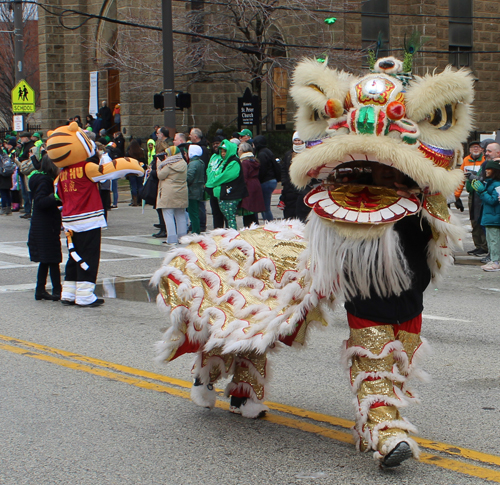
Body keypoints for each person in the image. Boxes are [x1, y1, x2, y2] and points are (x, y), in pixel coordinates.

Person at [27, 155, 62, 301]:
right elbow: (40, 201)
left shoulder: (42, 178)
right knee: (53, 258)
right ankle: (57, 290)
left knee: (46, 259)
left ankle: (40, 289)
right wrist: (57, 198)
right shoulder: (45, 180)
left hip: (43, 223)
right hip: (46, 224)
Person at [455, 140, 487, 256]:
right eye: (473, 147)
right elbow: (461, 179)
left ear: (482, 150)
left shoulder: (485, 161)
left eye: (478, 147)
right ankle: (478, 246)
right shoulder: (466, 160)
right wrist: (456, 196)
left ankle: (485, 246)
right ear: (469, 150)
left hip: (482, 194)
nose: (475, 149)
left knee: (482, 220)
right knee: (474, 220)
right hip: (472, 194)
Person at [207, 139, 247, 230]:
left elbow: (224, 176)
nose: (223, 153)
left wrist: (211, 183)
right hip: (224, 195)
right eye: (222, 151)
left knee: (230, 219)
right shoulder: (224, 162)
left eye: (225, 151)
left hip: (231, 195)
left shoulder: (234, 162)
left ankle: (232, 237)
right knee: (226, 217)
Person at [471, 159, 500, 271]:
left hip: (494, 218)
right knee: (491, 240)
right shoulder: (491, 183)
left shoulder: (497, 184)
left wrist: (482, 192)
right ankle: (494, 260)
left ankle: (496, 262)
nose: (486, 171)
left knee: (494, 241)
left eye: (489, 169)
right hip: (490, 217)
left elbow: (493, 201)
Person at [157, 146, 188, 245]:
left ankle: (171, 238)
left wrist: (158, 165)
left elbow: (161, 175)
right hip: (181, 191)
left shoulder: (168, 164)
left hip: (168, 193)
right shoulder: (183, 163)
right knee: (181, 215)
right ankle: (182, 238)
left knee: (168, 215)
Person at [237, 142, 265, 227]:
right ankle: (255, 227)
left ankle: (248, 229)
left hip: (248, 187)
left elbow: (244, 177)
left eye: (239, 149)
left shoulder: (244, 162)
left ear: (242, 150)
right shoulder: (253, 160)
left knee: (248, 211)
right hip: (255, 185)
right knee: (253, 212)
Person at [279, 132, 305, 219]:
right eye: (295, 140)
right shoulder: (288, 154)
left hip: (302, 187)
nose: (297, 142)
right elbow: (284, 169)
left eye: (299, 140)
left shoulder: (306, 153)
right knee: (290, 213)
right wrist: (284, 182)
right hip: (290, 188)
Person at [253, 134, 279, 221]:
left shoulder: (261, 154)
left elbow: (262, 170)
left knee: (265, 207)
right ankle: (267, 222)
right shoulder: (267, 151)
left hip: (266, 181)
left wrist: (258, 180)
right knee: (265, 205)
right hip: (272, 180)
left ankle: (269, 224)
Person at [186, 145, 205, 234]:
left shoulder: (193, 163)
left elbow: (189, 176)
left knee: (193, 213)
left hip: (192, 190)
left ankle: (195, 231)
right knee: (196, 211)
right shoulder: (201, 162)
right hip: (199, 190)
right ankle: (196, 230)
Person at [17, 131, 35, 219]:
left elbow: (28, 158)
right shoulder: (24, 146)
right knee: (24, 193)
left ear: (26, 138)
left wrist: (19, 159)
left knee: (28, 192)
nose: (20, 139)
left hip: (27, 171)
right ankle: (27, 210)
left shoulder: (31, 146)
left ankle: (29, 211)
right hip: (22, 170)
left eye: (22, 137)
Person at [126, 139, 146, 206]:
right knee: (140, 185)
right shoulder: (141, 151)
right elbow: (144, 161)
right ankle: (140, 200)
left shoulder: (129, 152)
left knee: (133, 185)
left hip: (131, 170)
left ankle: (134, 201)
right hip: (139, 169)